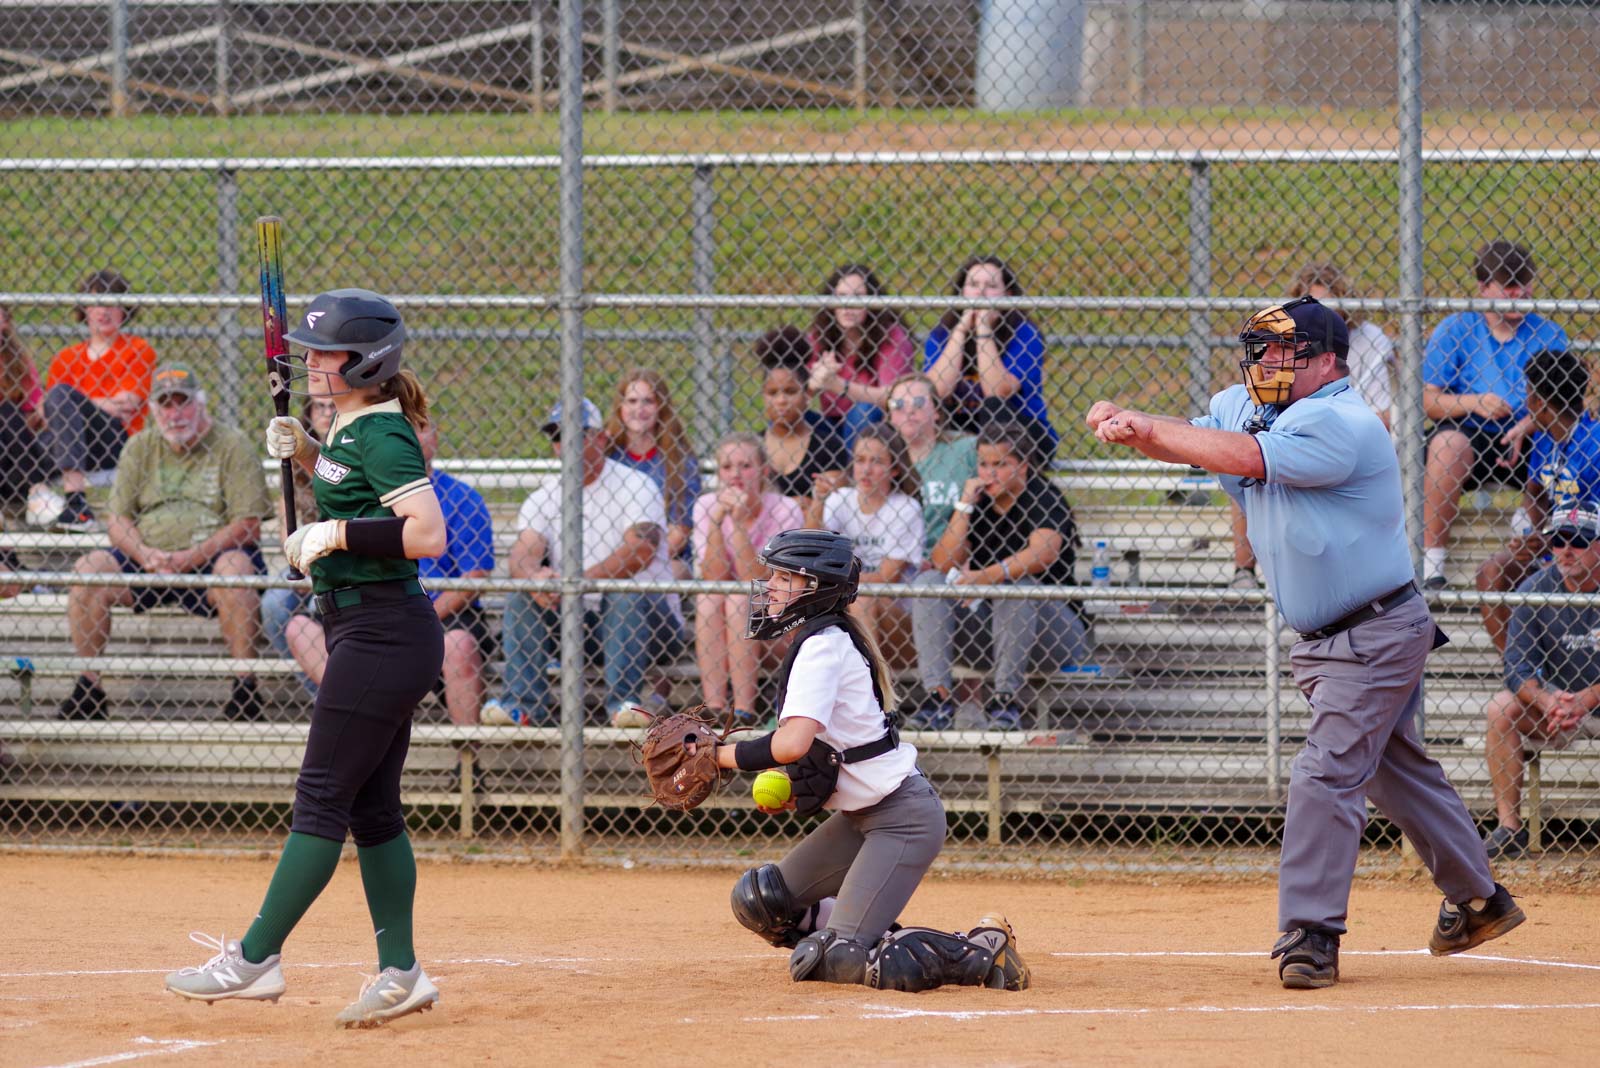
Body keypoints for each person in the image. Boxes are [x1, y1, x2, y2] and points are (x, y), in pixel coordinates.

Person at [1088, 295, 1525, 990]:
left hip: (1376, 630)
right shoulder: (1245, 404)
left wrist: (1147, 428)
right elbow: (1197, 435)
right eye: (1259, 349)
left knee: (1325, 772)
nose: (1265, 362)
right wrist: (1129, 423)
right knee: (1392, 770)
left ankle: (1311, 932)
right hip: (1328, 641)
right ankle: (1479, 899)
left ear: (1327, 362)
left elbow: (1244, 455)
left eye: (1283, 351)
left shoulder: (1344, 423)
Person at [164, 288, 448, 1027]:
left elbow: (426, 533)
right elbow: (355, 487)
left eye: (326, 353)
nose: (312, 363)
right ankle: (401, 973)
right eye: (311, 352)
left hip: (383, 633)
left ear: (367, 361)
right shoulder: (350, 427)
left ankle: (256, 957)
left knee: (321, 795)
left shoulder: (381, 431)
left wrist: (334, 535)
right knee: (372, 809)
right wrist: (309, 452)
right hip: (367, 630)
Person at [708, 528, 1032, 992]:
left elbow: (792, 743)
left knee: (840, 959)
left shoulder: (823, 646)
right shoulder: (822, 638)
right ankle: (869, 936)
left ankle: (983, 949)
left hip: (903, 820)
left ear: (817, 587)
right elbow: (832, 749)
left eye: (784, 577)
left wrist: (720, 756)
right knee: (763, 901)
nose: (771, 586)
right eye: (773, 575)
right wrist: (797, 788)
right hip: (860, 819)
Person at [58, 364, 270, 722]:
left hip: (212, 558)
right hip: (149, 558)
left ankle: (245, 690)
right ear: (154, 409)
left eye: (182, 402)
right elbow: (117, 520)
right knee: (88, 568)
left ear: (200, 403)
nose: (175, 414)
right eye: (165, 405)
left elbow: (247, 525)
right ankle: (88, 689)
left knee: (236, 569)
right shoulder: (140, 446)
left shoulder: (233, 444)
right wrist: (144, 554)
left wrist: (191, 556)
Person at [486, 397, 684, 728]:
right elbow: (523, 553)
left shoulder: (636, 484)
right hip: (578, 621)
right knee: (522, 595)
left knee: (623, 594)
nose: (565, 443)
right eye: (558, 436)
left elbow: (640, 550)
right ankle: (522, 705)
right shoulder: (545, 495)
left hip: (650, 623)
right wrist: (536, 578)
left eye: (577, 434)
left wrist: (576, 583)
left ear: (601, 439)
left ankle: (625, 705)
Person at [284, 419, 496, 725]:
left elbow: (473, 578)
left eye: (421, 427)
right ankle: (359, 715)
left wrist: (422, 617)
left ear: (436, 438)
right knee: (299, 629)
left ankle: (467, 752)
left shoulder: (463, 498)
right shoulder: (362, 493)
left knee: (458, 644)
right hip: (371, 607)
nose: (411, 435)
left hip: (444, 615)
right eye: (403, 425)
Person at [907, 418, 1091, 732]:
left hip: (1055, 633)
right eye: (983, 464)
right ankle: (937, 699)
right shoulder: (979, 503)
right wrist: (964, 505)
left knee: (1016, 586)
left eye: (1000, 464)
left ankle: (1006, 701)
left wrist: (987, 576)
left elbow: (1043, 552)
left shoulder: (1043, 495)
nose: (989, 473)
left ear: (1023, 466)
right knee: (928, 583)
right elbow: (943, 562)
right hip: (992, 635)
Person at [1231, 263, 1396, 590]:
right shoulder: (1289, 344)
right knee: (1246, 462)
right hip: (1294, 435)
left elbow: (1383, 415)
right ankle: (1243, 571)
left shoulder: (1368, 339)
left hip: (1347, 441)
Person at [1421, 240, 1569, 589]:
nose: (1520, 295)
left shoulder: (1548, 333)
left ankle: (1533, 542)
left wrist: (1528, 424)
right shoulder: (1457, 328)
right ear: (1484, 288)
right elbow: (1429, 401)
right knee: (1446, 445)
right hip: (1469, 430)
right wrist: (1473, 402)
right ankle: (1432, 564)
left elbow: (1563, 404)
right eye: (1509, 287)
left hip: (1531, 432)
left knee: (1557, 442)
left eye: (1525, 286)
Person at [1481, 506, 1600, 861]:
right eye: (1558, 541)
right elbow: (1517, 667)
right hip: (1554, 710)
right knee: (1501, 708)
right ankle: (1509, 829)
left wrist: (1587, 698)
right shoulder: (1535, 588)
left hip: (1593, 703)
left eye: (1578, 541)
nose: (1566, 550)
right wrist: (1548, 701)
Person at [1475, 350, 1600, 653]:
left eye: (1528, 393)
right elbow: (1535, 492)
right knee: (1491, 572)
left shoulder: (1594, 440)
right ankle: (1519, 670)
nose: (1526, 401)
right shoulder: (1545, 437)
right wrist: (1532, 533)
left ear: (1539, 403)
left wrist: (1552, 541)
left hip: (1589, 555)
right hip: (1554, 550)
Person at [692, 432, 803, 727]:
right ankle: (713, 708)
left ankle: (743, 711)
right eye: (727, 467)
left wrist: (739, 523)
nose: (735, 475)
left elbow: (755, 580)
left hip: (778, 625)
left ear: (763, 470)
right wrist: (718, 522)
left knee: (740, 599)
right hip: (728, 627)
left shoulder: (785, 509)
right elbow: (713, 576)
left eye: (745, 466)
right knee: (708, 599)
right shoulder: (706, 505)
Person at [42, 269, 158, 532]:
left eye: (112, 303)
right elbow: (48, 412)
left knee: (62, 395)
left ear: (124, 309)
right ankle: (25, 506)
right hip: (66, 443)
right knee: (19, 428)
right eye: (96, 303)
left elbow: (127, 404)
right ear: (84, 309)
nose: (104, 311)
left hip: (112, 441)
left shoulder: (138, 350)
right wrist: (96, 403)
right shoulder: (65, 358)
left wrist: (73, 404)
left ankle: (76, 504)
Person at [923, 255, 1057, 461]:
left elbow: (997, 391)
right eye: (973, 285)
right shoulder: (942, 334)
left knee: (993, 406)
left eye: (991, 286)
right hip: (962, 426)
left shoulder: (1024, 333)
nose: (981, 292)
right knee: (929, 413)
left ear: (1008, 295)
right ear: (961, 292)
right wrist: (960, 331)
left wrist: (983, 329)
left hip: (1020, 431)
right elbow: (936, 391)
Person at [807, 423, 923, 658]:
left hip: (896, 615)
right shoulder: (840, 499)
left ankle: (869, 676)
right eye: (860, 460)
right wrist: (818, 500)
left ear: (894, 469)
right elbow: (809, 547)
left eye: (876, 462)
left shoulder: (906, 507)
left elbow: (887, 577)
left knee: (862, 598)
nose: (866, 470)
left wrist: (831, 582)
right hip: (843, 597)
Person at [260, 395, 338, 697]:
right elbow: (287, 530)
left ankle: (338, 693)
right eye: (319, 406)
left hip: (342, 557)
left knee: (320, 607)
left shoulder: (351, 450)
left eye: (332, 406)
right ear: (309, 413)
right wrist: (302, 565)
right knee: (274, 603)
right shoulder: (291, 463)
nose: (326, 412)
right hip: (305, 560)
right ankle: (321, 694)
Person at [604, 369, 701, 579]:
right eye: (632, 401)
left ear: (661, 408)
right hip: (611, 553)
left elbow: (679, 533)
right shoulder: (608, 454)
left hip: (664, 559)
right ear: (620, 407)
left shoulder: (680, 460)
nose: (639, 409)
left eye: (648, 401)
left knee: (676, 571)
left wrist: (639, 562)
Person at [806, 264, 916, 449]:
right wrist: (814, 383)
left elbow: (893, 396)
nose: (848, 305)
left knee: (863, 410)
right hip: (831, 422)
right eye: (841, 297)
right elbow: (800, 393)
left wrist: (838, 385)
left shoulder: (891, 336)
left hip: (877, 426)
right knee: (789, 414)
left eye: (858, 297)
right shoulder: (819, 336)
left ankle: (854, 467)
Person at [885, 371, 977, 561]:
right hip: (895, 561)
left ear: (936, 411)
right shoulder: (882, 459)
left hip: (951, 560)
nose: (909, 410)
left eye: (918, 402)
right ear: (890, 416)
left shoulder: (966, 449)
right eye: (898, 404)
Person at [757, 326, 850, 504]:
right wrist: (797, 504)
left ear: (807, 394)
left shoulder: (829, 447)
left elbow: (834, 507)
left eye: (791, 391)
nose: (781, 401)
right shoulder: (753, 447)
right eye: (772, 393)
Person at [0, 302, 49, 510]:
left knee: (6, 411)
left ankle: (36, 489)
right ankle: (37, 487)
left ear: (6, 322)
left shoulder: (17, 361)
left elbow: (34, 415)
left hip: (15, 455)